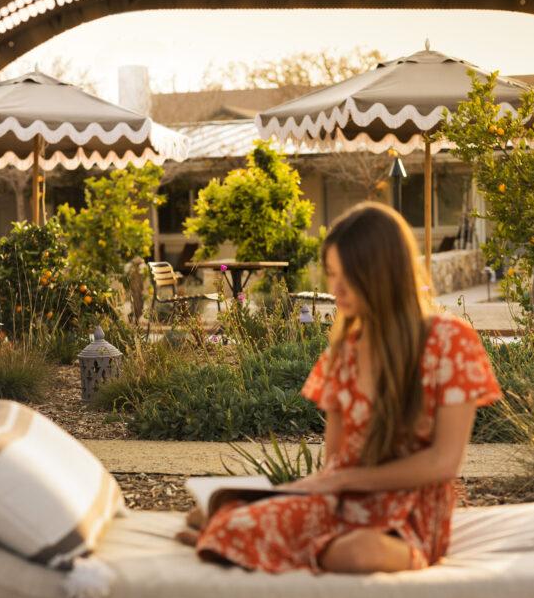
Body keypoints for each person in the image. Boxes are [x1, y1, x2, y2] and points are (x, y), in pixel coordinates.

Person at [180, 201, 502, 574]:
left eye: (349, 275)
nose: (336, 289)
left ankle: (244, 541)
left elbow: (443, 462)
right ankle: (240, 533)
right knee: (216, 513)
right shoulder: (345, 353)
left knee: (361, 552)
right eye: (332, 274)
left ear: (383, 273)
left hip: (409, 514)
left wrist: (343, 480)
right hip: (342, 504)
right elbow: (335, 461)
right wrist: (312, 487)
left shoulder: (451, 340)